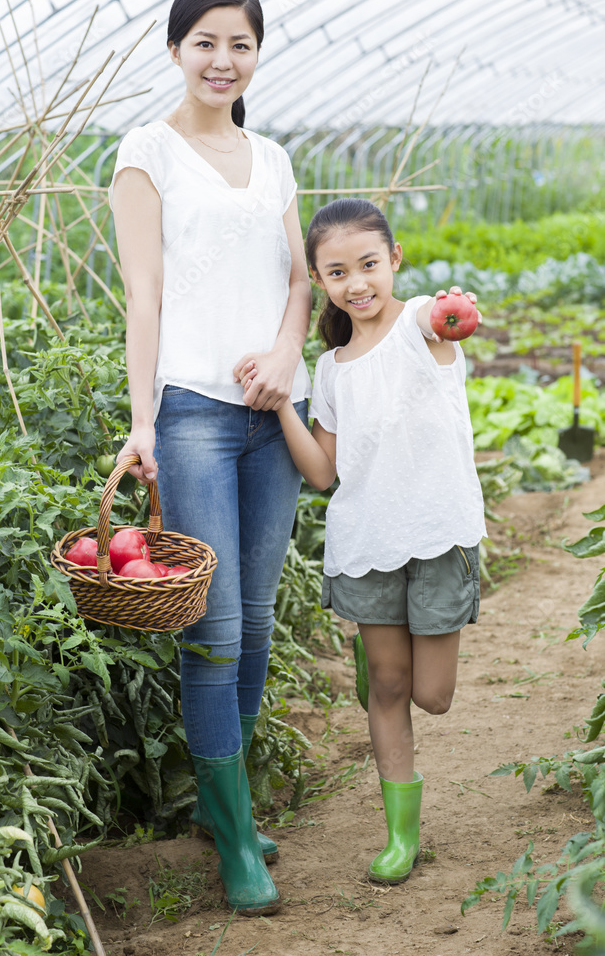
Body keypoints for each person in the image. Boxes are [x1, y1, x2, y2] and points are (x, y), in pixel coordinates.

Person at [108, 0, 312, 915]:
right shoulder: (146, 152)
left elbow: (299, 283)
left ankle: (224, 813)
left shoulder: (272, 157)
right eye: (205, 43)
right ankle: (235, 841)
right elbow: (143, 296)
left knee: (260, 618)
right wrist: (143, 421)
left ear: (256, 53)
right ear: (176, 50)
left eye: (239, 44)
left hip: (271, 417)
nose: (222, 61)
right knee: (214, 628)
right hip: (190, 413)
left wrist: (282, 356)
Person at [241, 198, 486, 885]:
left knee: (432, 695)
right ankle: (399, 838)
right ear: (318, 281)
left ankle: (383, 667)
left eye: (368, 265)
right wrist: (285, 400)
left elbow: (448, 315)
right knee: (388, 686)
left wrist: (454, 307)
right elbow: (322, 473)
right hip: (367, 538)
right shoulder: (333, 369)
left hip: (437, 534)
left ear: (394, 261)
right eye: (338, 271)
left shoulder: (418, 326)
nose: (357, 283)